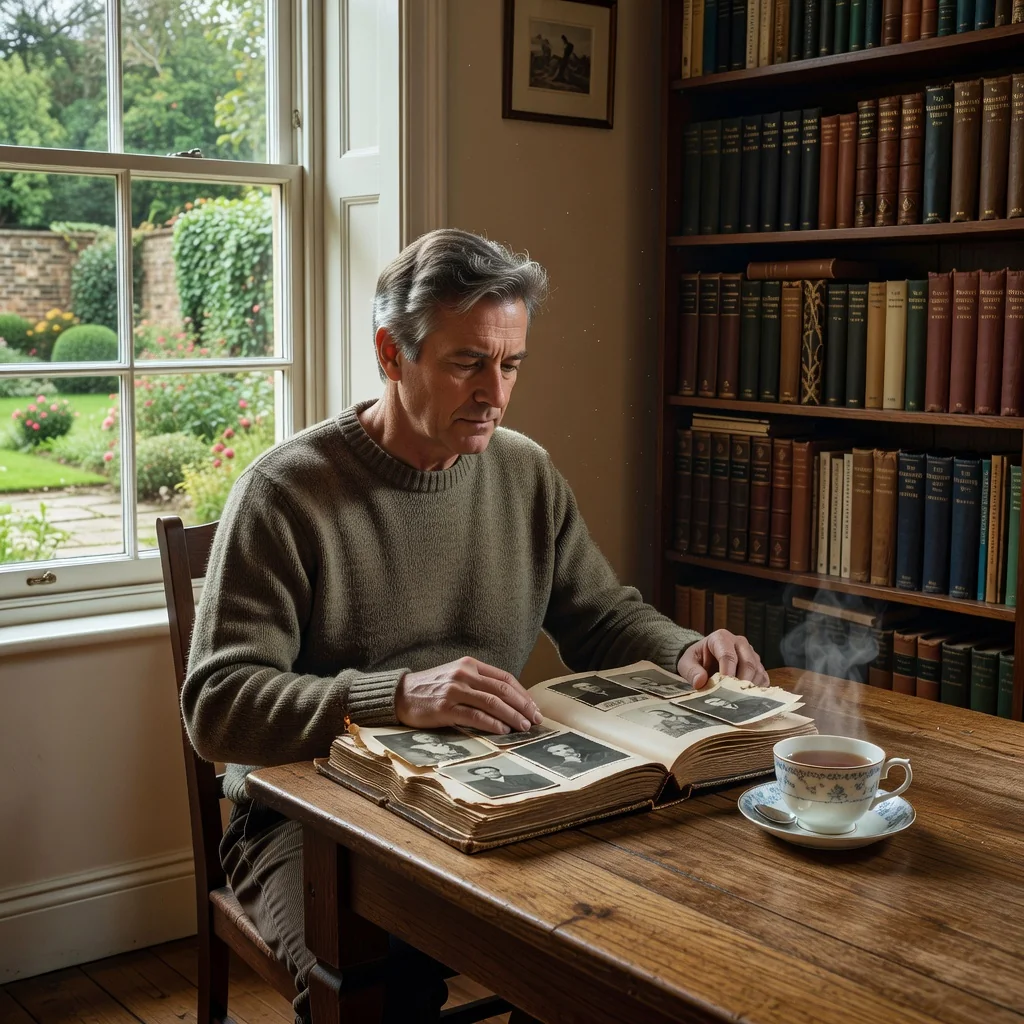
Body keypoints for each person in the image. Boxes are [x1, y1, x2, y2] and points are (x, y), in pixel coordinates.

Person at [182, 228, 768, 1024]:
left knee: (617, 934)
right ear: (393, 354)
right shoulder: (285, 493)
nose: (495, 391)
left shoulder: (525, 470)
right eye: (467, 363)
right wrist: (400, 695)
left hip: (497, 789)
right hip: (309, 819)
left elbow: (598, 614)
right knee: (386, 983)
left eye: (511, 363)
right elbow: (217, 707)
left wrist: (685, 651)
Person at [463, 763, 547, 797]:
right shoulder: (477, 785)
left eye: (492, 770)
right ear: (480, 775)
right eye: (486, 772)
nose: (491, 773)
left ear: (497, 770)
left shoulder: (526, 776)